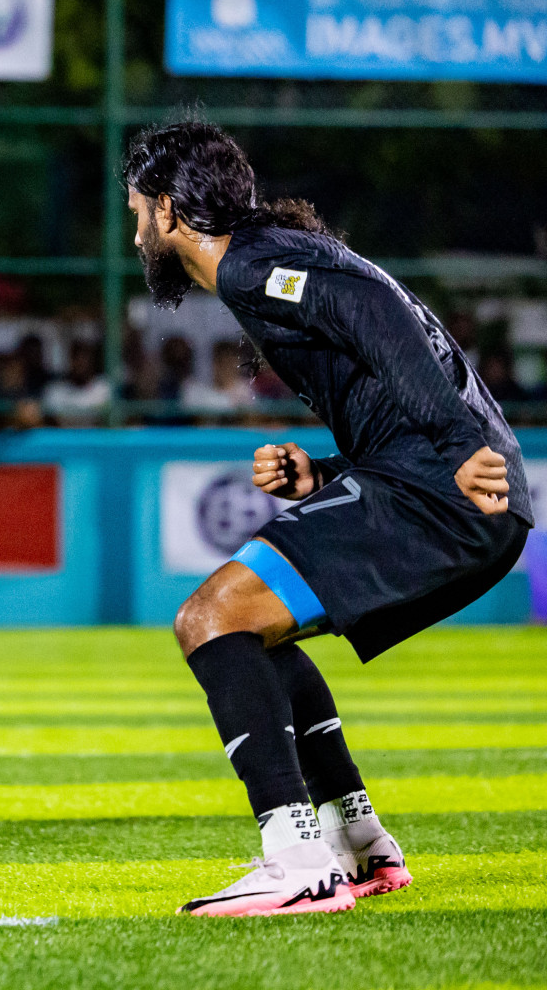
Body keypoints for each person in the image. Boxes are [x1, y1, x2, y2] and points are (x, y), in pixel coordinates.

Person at [125, 121, 532, 917]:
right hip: (447, 486)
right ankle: (357, 842)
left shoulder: (247, 265)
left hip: (445, 489)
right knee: (254, 628)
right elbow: (382, 352)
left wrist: (456, 445)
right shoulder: (275, 255)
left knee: (208, 619)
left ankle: (296, 862)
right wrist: (326, 474)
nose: (136, 229)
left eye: (139, 211)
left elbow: (371, 307)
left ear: (170, 211)